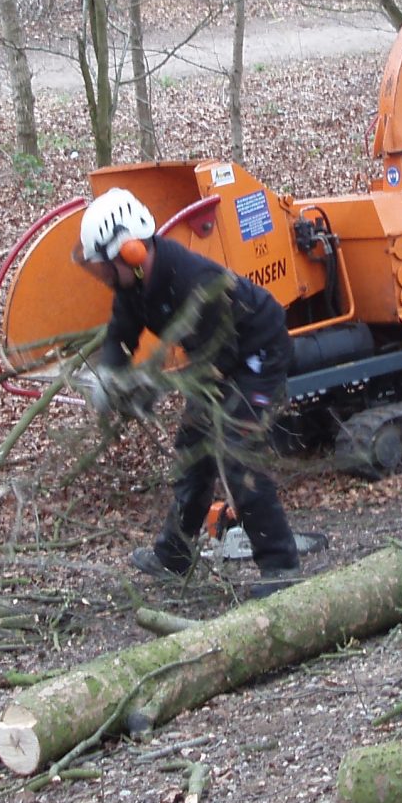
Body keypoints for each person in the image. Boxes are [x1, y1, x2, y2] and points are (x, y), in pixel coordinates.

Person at [76, 187, 302, 593]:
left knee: (236, 453)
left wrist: (152, 388)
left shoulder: (192, 282)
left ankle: (282, 568)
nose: (106, 278)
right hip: (213, 359)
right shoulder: (134, 287)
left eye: (108, 267)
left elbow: (220, 356)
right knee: (192, 452)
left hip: (256, 355)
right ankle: (174, 556)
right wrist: (111, 376)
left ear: (130, 251)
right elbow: (121, 335)